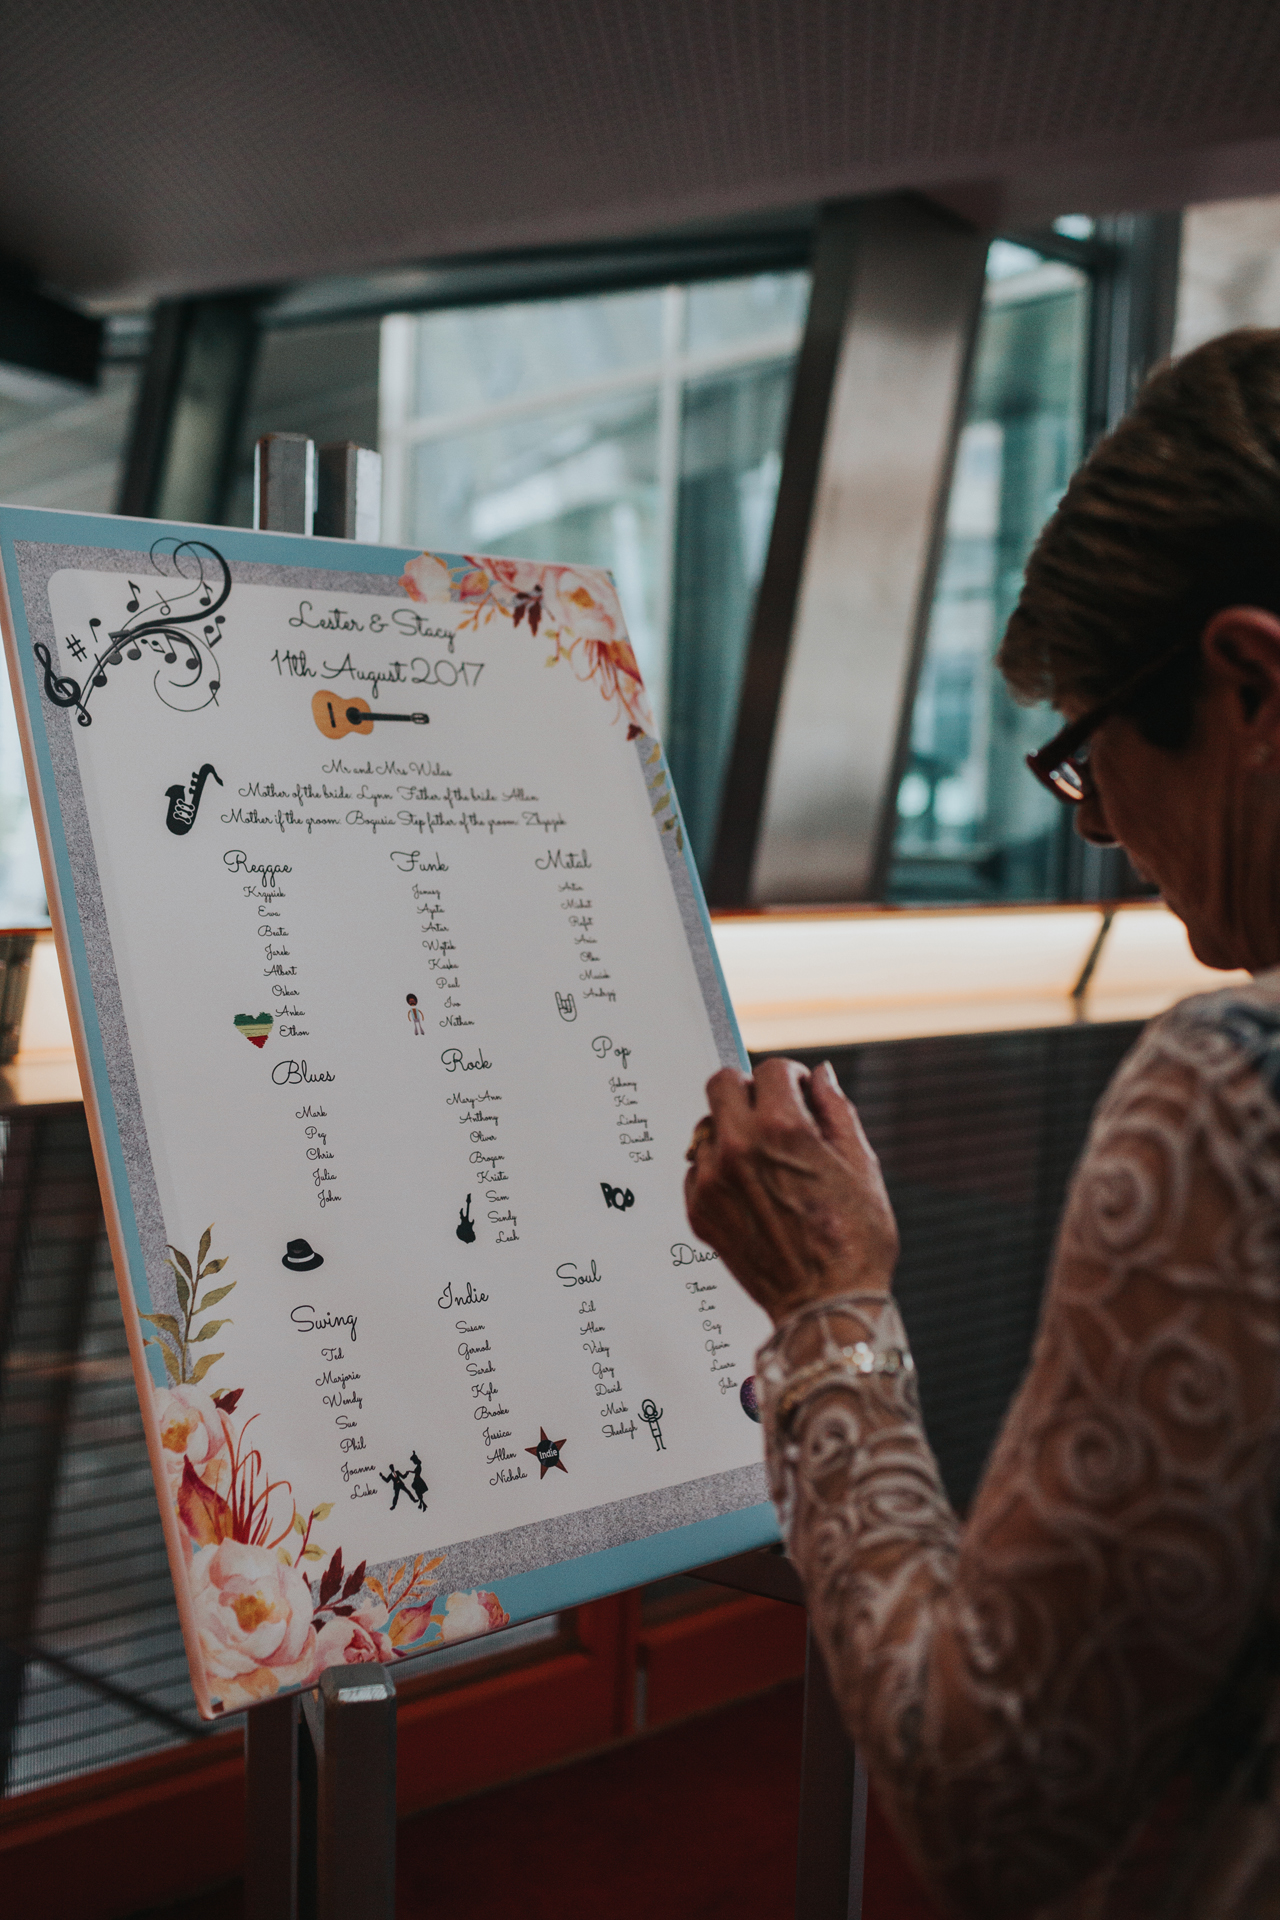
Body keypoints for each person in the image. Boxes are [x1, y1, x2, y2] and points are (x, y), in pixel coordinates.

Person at [684, 329, 1280, 1919]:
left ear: (1251, 682)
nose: (1106, 837)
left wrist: (827, 1316)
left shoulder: (1237, 1095)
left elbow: (995, 1795)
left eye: (1090, 756)